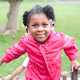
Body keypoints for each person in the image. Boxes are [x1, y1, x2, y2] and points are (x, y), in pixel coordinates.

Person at [0, 5, 80, 80]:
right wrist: (2, 60)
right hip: (34, 77)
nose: (40, 29)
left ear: (51, 25)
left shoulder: (58, 38)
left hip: (53, 77)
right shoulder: (27, 41)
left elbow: (70, 45)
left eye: (44, 25)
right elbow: (14, 51)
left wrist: (73, 60)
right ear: (28, 28)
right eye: (35, 25)